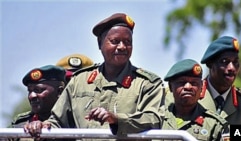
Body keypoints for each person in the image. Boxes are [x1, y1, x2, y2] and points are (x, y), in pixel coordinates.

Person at [24, 13, 165, 140]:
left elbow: (153, 119)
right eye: (115, 41)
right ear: (100, 44)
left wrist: (117, 120)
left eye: (128, 42)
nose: (122, 47)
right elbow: (58, 121)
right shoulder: (79, 81)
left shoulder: (147, 83)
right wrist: (42, 126)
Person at [162, 59, 229, 141]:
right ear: (170, 86)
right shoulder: (157, 119)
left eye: (194, 83)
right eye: (182, 82)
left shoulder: (215, 125)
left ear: (201, 87)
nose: (188, 87)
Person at [199, 36, 241, 124]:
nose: (232, 68)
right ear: (210, 64)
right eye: (224, 61)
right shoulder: (189, 98)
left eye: (235, 62)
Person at [9, 65, 66, 141]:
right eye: (29, 91)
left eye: (38, 90)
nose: (32, 96)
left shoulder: (73, 121)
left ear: (60, 92)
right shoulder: (20, 125)